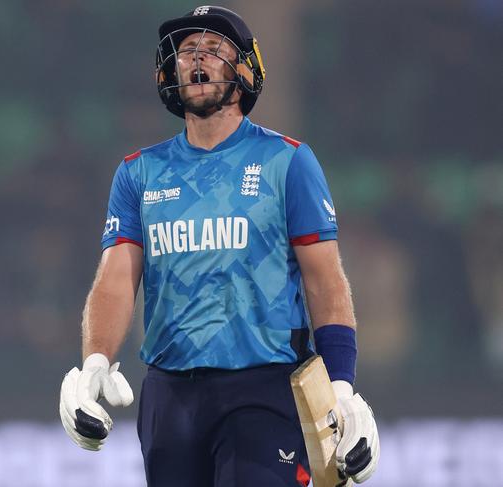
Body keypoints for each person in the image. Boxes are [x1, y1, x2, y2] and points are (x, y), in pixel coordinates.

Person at [60, 6, 380, 486]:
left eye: (213, 49)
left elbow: (325, 280)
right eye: (187, 51)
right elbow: (116, 279)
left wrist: (342, 388)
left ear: (247, 69)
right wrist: (96, 362)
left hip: (265, 389)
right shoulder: (137, 172)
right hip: (170, 396)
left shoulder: (287, 161)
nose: (196, 59)